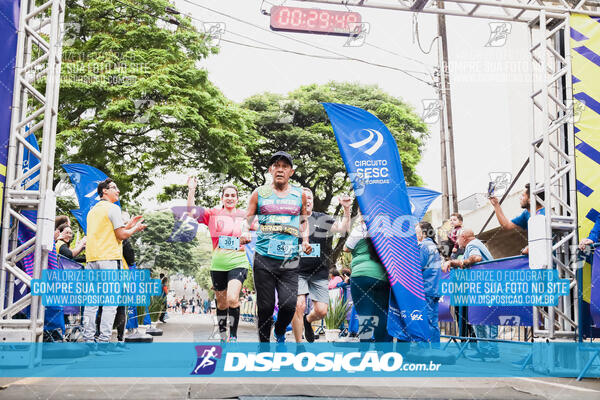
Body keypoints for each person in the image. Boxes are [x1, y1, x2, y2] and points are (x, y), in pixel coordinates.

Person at [240, 151, 312, 343]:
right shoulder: (259, 193)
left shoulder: (300, 194)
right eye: (276, 166)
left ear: (291, 171)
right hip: (264, 257)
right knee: (265, 306)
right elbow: (247, 219)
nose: (280, 169)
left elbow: (304, 221)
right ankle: (263, 346)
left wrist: (305, 240)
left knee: (289, 305)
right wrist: (245, 231)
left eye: (285, 166)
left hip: (289, 259)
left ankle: (279, 331)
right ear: (271, 170)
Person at [187, 178, 255, 343]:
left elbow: (258, 229)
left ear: (237, 199)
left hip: (238, 262)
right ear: (222, 198)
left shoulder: (245, 216)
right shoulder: (213, 214)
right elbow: (191, 212)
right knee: (222, 303)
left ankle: (233, 336)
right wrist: (191, 190)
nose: (230, 198)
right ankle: (223, 336)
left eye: (233, 195)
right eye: (227, 195)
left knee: (232, 298)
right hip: (218, 264)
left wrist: (248, 236)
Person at [82, 178, 146, 348]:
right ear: (105, 191)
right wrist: (135, 229)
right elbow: (121, 236)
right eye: (114, 188)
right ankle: (103, 341)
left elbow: (110, 230)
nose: (118, 191)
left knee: (91, 303)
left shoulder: (92, 211)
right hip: (109, 260)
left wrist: (128, 224)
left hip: (92, 260)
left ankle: (88, 340)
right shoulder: (113, 208)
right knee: (110, 303)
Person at [292, 187, 352, 343]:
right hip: (297, 271)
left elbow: (343, 229)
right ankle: (299, 345)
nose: (308, 200)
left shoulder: (322, 218)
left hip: (319, 272)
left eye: (310, 197)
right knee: (299, 305)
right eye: (304, 198)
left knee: (321, 311)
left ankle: (308, 320)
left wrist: (346, 208)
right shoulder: (292, 220)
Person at [442, 229, 498, 361]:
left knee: (486, 320)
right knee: (479, 320)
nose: (456, 241)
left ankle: (492, 352)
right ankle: (485, 351)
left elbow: (476, 258)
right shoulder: (477, 243)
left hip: (485, 287)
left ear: (464, 237)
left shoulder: (472, 245)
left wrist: (461, 263)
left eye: (458, 238)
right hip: (483, 287)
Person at [343, 220, 392, 342]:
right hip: (382, 276)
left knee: (365, 315)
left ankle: (364, 350)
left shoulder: (359, 229)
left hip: (361, 275)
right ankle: (385, 351)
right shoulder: (387, 228)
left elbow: (346, 248)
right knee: (382, 313)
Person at [489, 183, 545, 254]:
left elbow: (541, 242)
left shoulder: (542, 215)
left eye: (523, 196)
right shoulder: (526, 213)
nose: (520, 198)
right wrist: (496, 205)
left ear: (530, 200)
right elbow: (506, 225)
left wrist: (528, 249)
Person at [416, 221, 442, 346]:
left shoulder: (423, 246)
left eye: (416, 229)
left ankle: (425, 349)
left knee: (425, 320)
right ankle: (435, 349)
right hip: (434, 288)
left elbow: (417, 267)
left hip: (426, 288)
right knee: (433, 321)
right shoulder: (434, 246)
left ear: (423, 232)